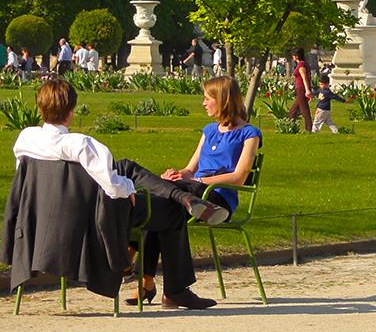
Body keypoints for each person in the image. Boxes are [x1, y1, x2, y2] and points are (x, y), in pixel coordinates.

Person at [14, 78, 226, 310]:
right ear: (71, 112)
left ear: (40, 108)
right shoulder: (83, 145)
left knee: (125, 166)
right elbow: (113, 188)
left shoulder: (26, 139)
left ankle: (183, 198)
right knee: (172, 213)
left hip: (45, 216)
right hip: (95, 218)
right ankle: (176, 289)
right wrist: (129, 189)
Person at [143, 76, 263, 306]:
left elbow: (239, 177)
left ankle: (146, 279)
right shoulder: (209, 130)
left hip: (218, 199)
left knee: (158, 202)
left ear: (223, 100)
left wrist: (200, 180)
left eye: (207, 98)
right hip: (192, 193)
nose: (203, 103)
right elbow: (190, 169)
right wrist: (177, 175)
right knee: (159, 207)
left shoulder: (249, 134)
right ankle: (166, 288)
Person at [287, 48, 312, 132]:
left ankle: (309, 129)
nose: (292, 57)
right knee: (293, 110)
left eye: (293, 55)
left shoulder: (301, 65)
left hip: (301, 88)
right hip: (300, 89)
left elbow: (304, 77)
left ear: (297, 56)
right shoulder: (301, 64)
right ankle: (289, 126)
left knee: (304, 110)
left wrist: (307, 90)